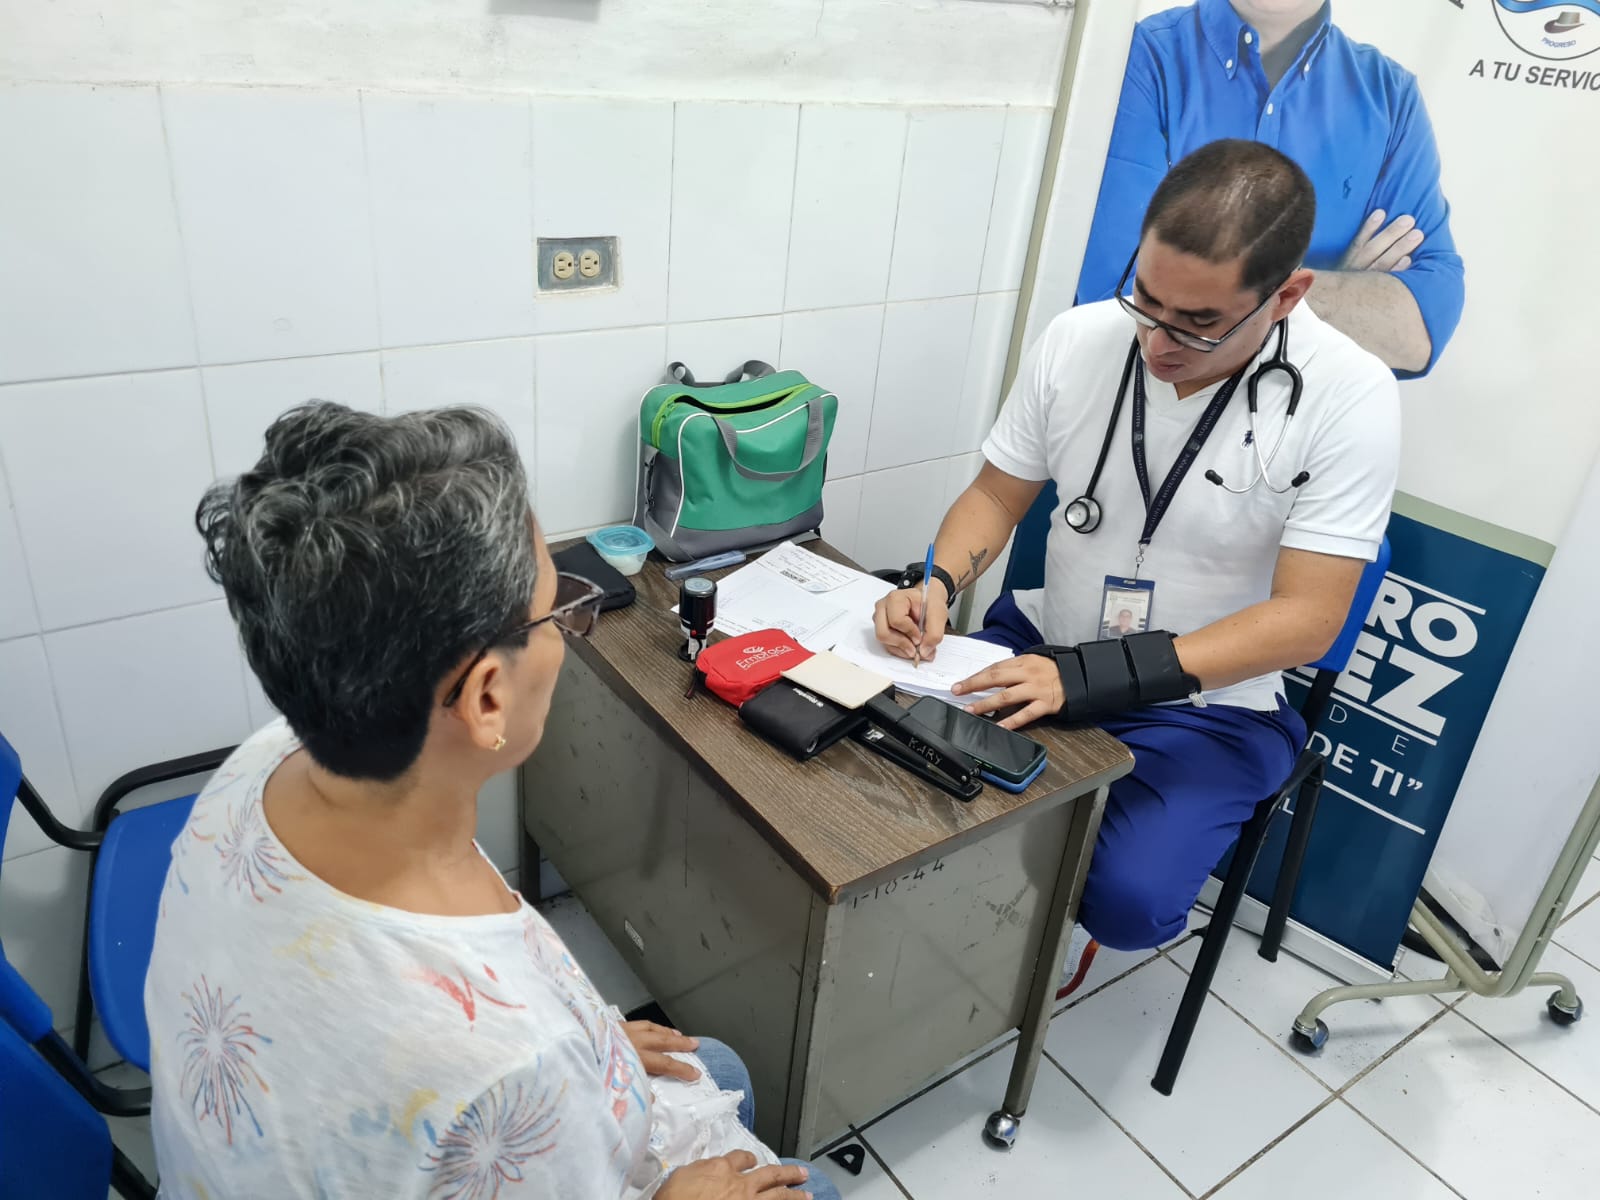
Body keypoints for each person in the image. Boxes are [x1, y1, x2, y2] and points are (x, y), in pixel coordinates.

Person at [145, 402, 837, 1200]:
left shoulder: (258, 766)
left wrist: (588, 1041)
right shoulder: (510, 1063)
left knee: (716, 1066)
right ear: (485, 698)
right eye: (558, 611)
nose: (568, 629)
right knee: (809, 1187)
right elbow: (495, 1069)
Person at [873, 140, 1398, 987]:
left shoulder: (1351, 396)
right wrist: (935, 582)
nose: (1157, 342)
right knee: (876, 755)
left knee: (1128, 902)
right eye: (1146, 301)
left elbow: (1309, 619)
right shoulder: (1079, 339)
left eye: (1198, 323)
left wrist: (1088, 680)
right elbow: (998, 496)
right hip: (1042, 643)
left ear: (1287, 295)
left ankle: (1044, 934)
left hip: (1206, 702)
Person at [1076, 0, 1464, 378]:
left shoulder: (1391, 96)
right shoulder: (1137, 59)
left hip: (1309, 419)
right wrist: (1337, 291)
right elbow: (1115, 300)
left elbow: (1421, 328)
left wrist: (1210, 301)